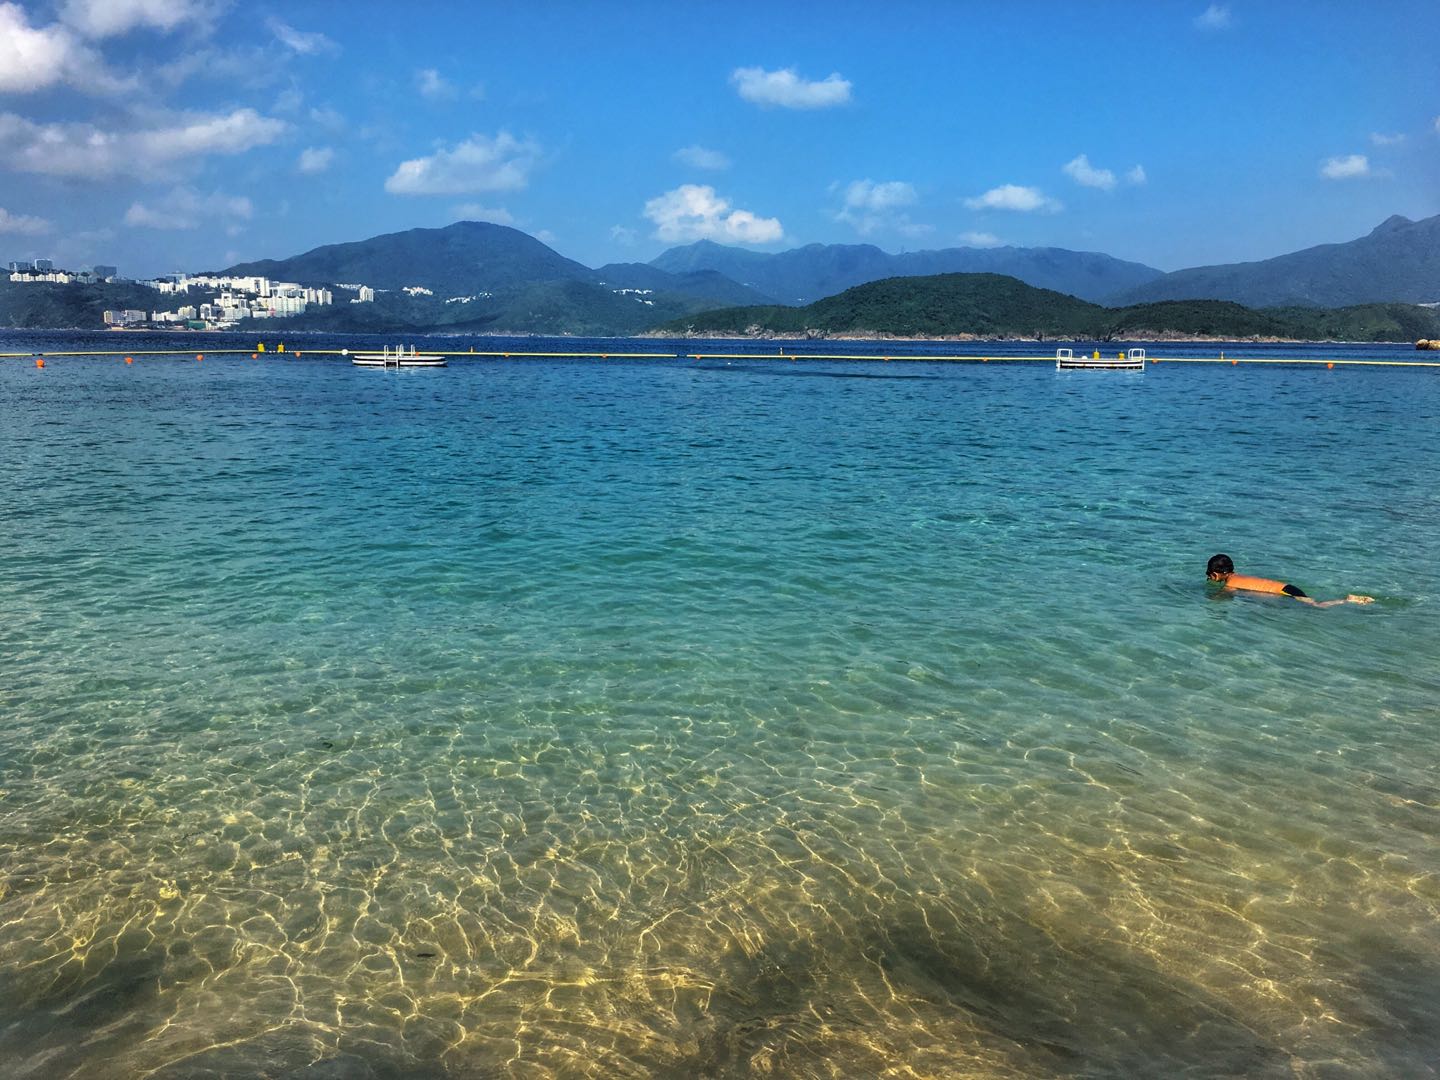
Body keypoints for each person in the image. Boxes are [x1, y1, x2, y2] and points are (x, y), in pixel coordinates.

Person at [1206, 553, 1373, 607]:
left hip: (1285, 592)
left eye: (1210, 575)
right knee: (1313, 605)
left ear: (1216, 574)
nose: (1209, 578)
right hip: (1287, 588)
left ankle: (1347, 600)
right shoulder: (1238, 576)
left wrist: (1209, 599)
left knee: (1317, 606)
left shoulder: (1231, 583)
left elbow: (1222, 596)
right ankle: (1347, 600)